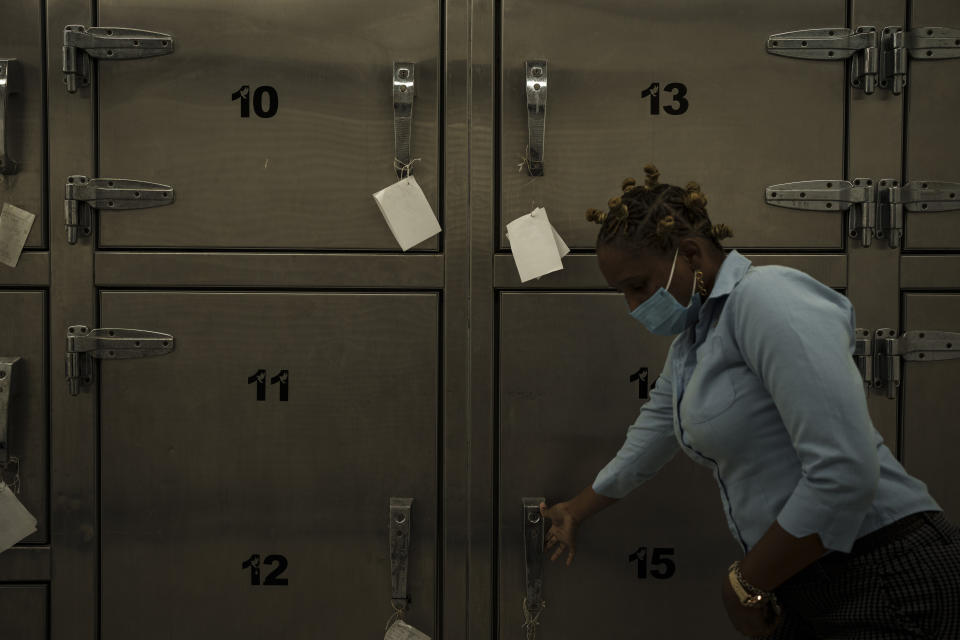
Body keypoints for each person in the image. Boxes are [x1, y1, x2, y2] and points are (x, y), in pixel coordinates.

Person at [538, 164, 960, 639]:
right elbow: (648, 441)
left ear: (691, 254)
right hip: (807, 578)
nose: (633, 307)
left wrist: (742, 584)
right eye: (622, 294)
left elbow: (846, 470)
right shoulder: (693, 344)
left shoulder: (767, 298)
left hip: (887, 574)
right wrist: (574, 510)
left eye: (638, 286)